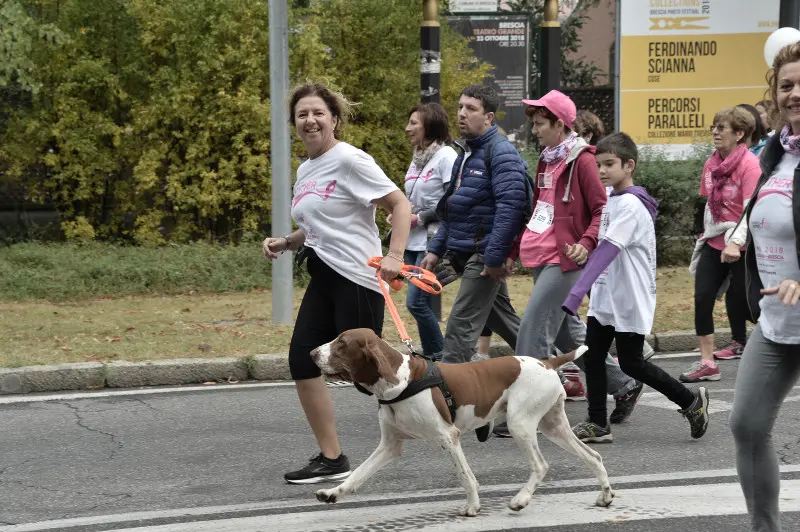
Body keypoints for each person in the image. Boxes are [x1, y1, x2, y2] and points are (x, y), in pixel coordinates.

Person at [263, 82, 412, 484]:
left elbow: (399, 204)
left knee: (370, 377)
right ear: (294, 123)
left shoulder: (350, 160)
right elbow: (315, 226)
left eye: (318, 113)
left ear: (334, 119)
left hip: (358, 279)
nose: (310, 120)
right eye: (302, 115)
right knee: (302, 360)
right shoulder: (306, 169)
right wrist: (288, 241)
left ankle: (443, 410)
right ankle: (332, 458)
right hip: (324, 276)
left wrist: (395, 257)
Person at [492, 91, 643, 439]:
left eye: (540, 124)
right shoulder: (548, 159)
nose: (534, 130)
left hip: (566, 259)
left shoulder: (584, 160)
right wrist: (516, 249)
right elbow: (539, 211)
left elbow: (601, 210)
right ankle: (622, 382)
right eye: (533, 123)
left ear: (560, 124)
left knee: (532, 328)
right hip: (541, 257)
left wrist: (586, 244)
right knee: (566, 334)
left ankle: (524, 408)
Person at [563, 132, 710, 443]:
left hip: (629, 296)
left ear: (628, 165)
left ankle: (691, 402)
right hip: (607, 294)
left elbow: (608, 250)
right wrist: (582, 251)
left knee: (631, 362)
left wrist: (577, 293)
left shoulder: (631, 204)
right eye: (599, 164)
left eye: (609, 164)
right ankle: (598, 423)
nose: (602, 170)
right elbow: (600, 244)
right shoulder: (612, 200)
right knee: (593, 355)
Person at [729, 42, 800, 532]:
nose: (795, 93)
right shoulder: (775, 153)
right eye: (787, 85)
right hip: (777, 322)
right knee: (747, 425)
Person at [420, 84, 525, 366]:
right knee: (510, 326)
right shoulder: (466, 153)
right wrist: (436, 249)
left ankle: (447, 398)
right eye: (460, 107)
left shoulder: (501, 152)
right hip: (468, 251)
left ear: (489, 117)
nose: (462, 114)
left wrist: (493, 259)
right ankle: (559, 376)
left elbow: (511, 210)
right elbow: (454, 209)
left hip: (484, 255)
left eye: (471, 109)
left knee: (459, 328)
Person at [681, 106, 761, 383]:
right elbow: (710, 204)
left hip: (743, 246)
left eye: (721, 128)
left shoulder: (750, 165)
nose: (715, 132)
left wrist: (735, 242)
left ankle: (783, 348)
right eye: (713, 127)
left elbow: (751, 209)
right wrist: (709, 235)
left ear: (739, 134)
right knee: (702, 298)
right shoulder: (711, 164)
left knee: (751, 306)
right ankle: (707, 362)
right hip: (715, 242)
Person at [391, 103, 457, 360]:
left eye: (413, 123)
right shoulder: (418, 156)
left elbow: (453, 203)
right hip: (412, 241)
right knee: (419, 302)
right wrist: (401, 213)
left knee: (415, 302)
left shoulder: (446, 156)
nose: (407, 129)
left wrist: (419, 217)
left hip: (433, 240)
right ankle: (434, 353)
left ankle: (439, 354)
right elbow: (413, 197)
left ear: (429, 126)